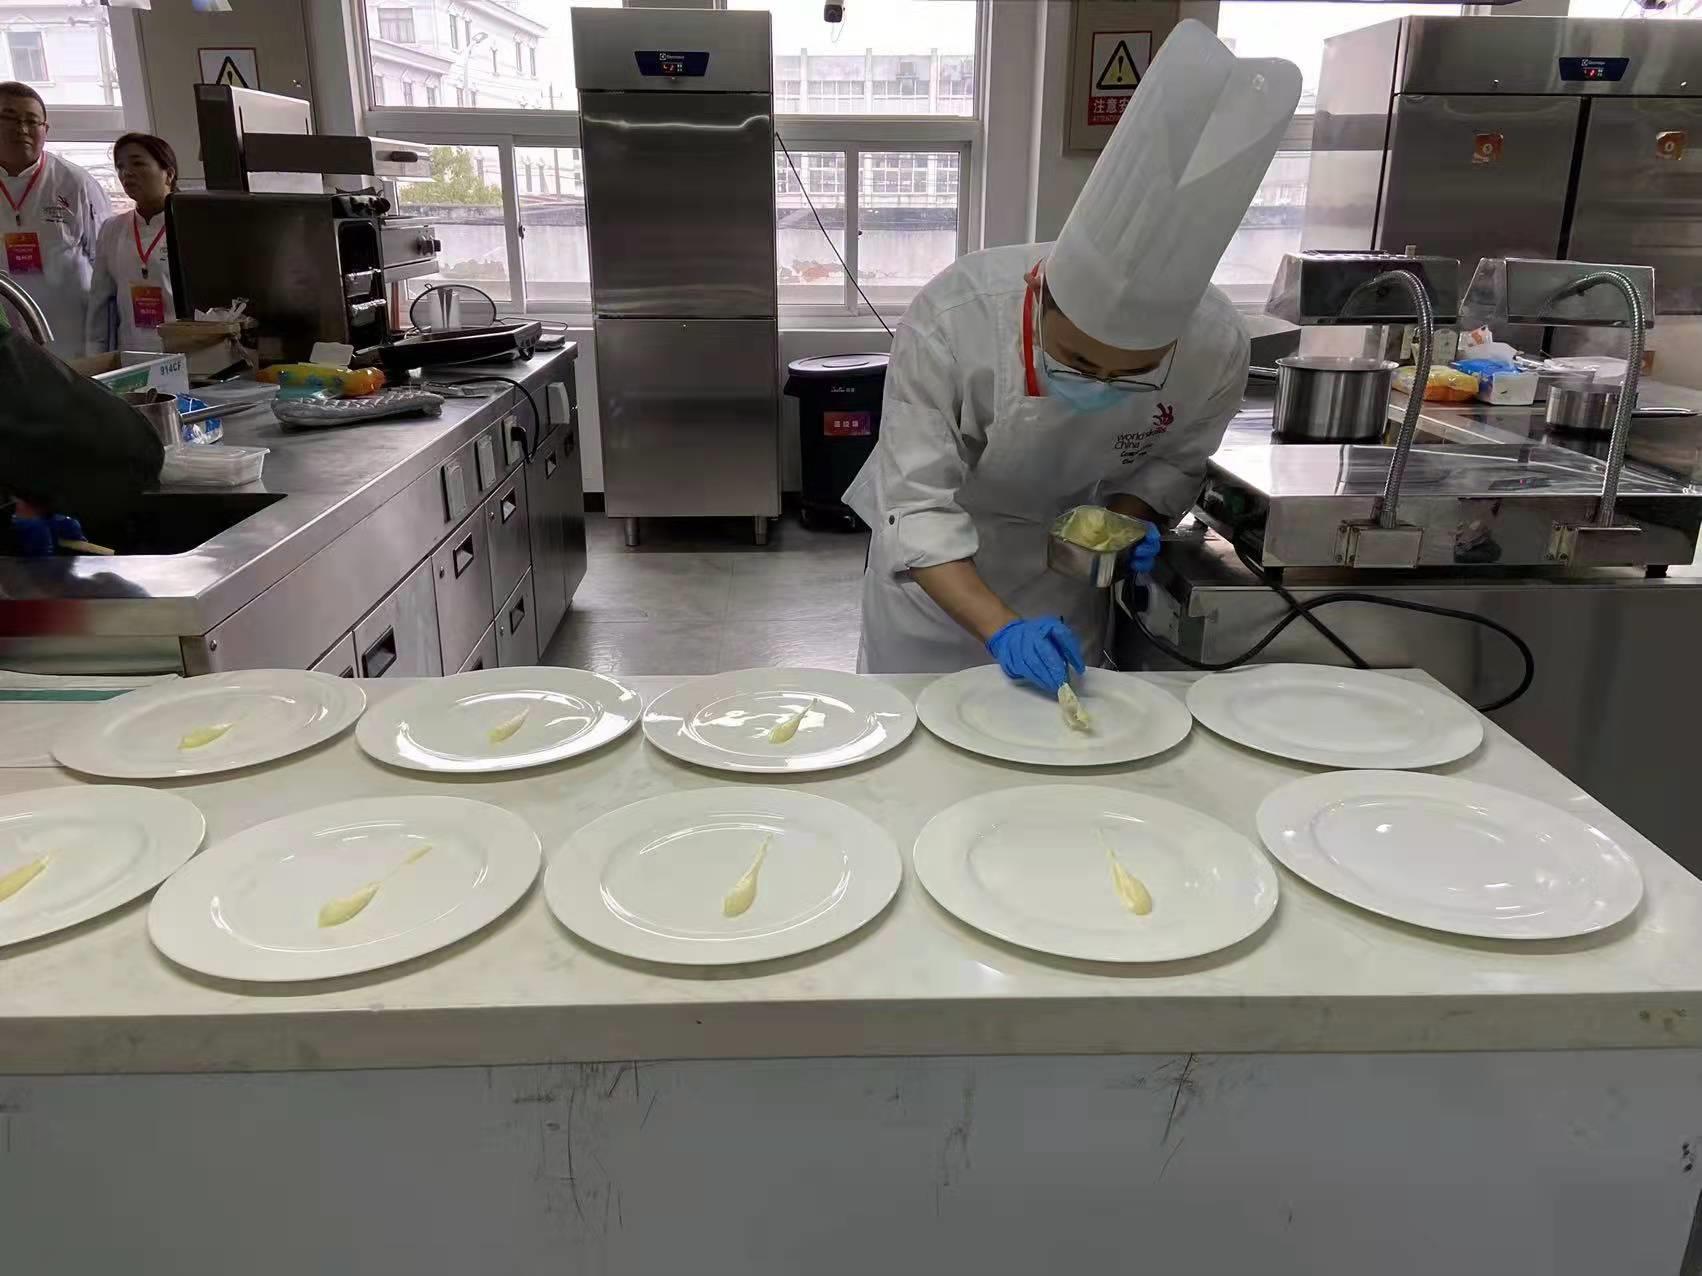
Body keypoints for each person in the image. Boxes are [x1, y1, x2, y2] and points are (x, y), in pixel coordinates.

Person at [844, 21, 1301, 691]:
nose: (1102, 384)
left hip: (1068, 584)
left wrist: (1126, 521)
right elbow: (915, 507)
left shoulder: (1217, 346)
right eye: (1080, 364)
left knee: (1057, 736)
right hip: (934, 592)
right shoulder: (954, 318)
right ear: (1039, 300)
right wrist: (1003, 628)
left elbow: (1173, 460)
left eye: (1132, 373)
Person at [0, 82, 110, 360]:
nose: (21, 129)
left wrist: (101, 343)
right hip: (5, 337)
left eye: (31, 121)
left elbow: (105, 265)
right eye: (9, 117)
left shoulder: (75, 182)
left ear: (45, 130)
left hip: (72, 336)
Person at [86, 133, 179, 354]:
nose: (126, 173)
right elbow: (100, 302)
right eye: (120, 166)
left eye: (137, 163)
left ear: (168, 174)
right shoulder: (113, 228)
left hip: (187, 352)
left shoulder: (193, 225)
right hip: (131, 352)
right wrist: (94, 354)